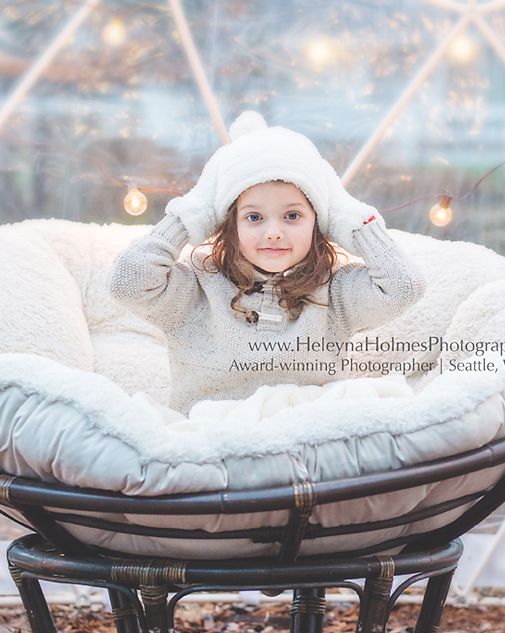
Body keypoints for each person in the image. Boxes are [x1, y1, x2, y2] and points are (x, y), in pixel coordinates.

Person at [108, 112, 425, 413]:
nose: (273, 233)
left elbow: (404, 286)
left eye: (292, 215)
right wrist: (191, 213)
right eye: (254, 217)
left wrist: (349, 217)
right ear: (229, 223)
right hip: (210, 439)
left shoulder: (335, 291)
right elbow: (127, 282)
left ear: (319, 222)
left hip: (305, 445)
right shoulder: (198, 289)